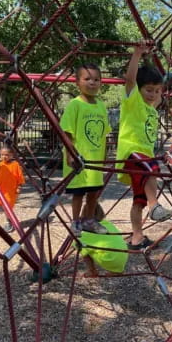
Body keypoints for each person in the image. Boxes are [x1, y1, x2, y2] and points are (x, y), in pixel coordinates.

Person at [116, 42, 172, 250]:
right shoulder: (133, 102)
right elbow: (130, 79)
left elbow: (162, 91)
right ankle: (155, 205)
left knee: (137, 200)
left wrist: (165, 78)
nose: (152, 94)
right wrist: (137, 54)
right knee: (152, 169)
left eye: (156, 91)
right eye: (148, 90)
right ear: (139, 89)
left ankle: (137, 238)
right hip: (131, 152)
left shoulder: (152, 109)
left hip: (143, 156)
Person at [60, 63, 111, 236]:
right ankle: (75, 222)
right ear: (77, 83)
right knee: (79, 193)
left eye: (96, 79)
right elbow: (66, 131)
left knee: (93, 192)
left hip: (95, 158)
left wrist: (104, 156)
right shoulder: (75, 105)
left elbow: (104, 133)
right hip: (79, 158)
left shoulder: (101, 106)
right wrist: (70, 154)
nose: (92, 83)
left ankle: (89, 220)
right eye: (87, 79)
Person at [77, 206, 128, 276]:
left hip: (111, 260)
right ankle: (117, 270)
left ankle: (91, 271)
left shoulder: (88, 231)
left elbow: (76, 243)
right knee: (95, 245)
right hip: (123, 258)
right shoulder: (109, 224)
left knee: (82, 247)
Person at [0, 145, 26, 233]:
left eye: (7, 155)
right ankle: (10, 220)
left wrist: (19, 186)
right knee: (5, 206)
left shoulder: (15, 165)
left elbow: (20, 177)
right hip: (1, 190)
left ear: (11, 155)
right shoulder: (0, 165)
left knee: (7, 206)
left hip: (11, 191)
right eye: (2, 155)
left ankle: (9, 222)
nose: (4, 157)